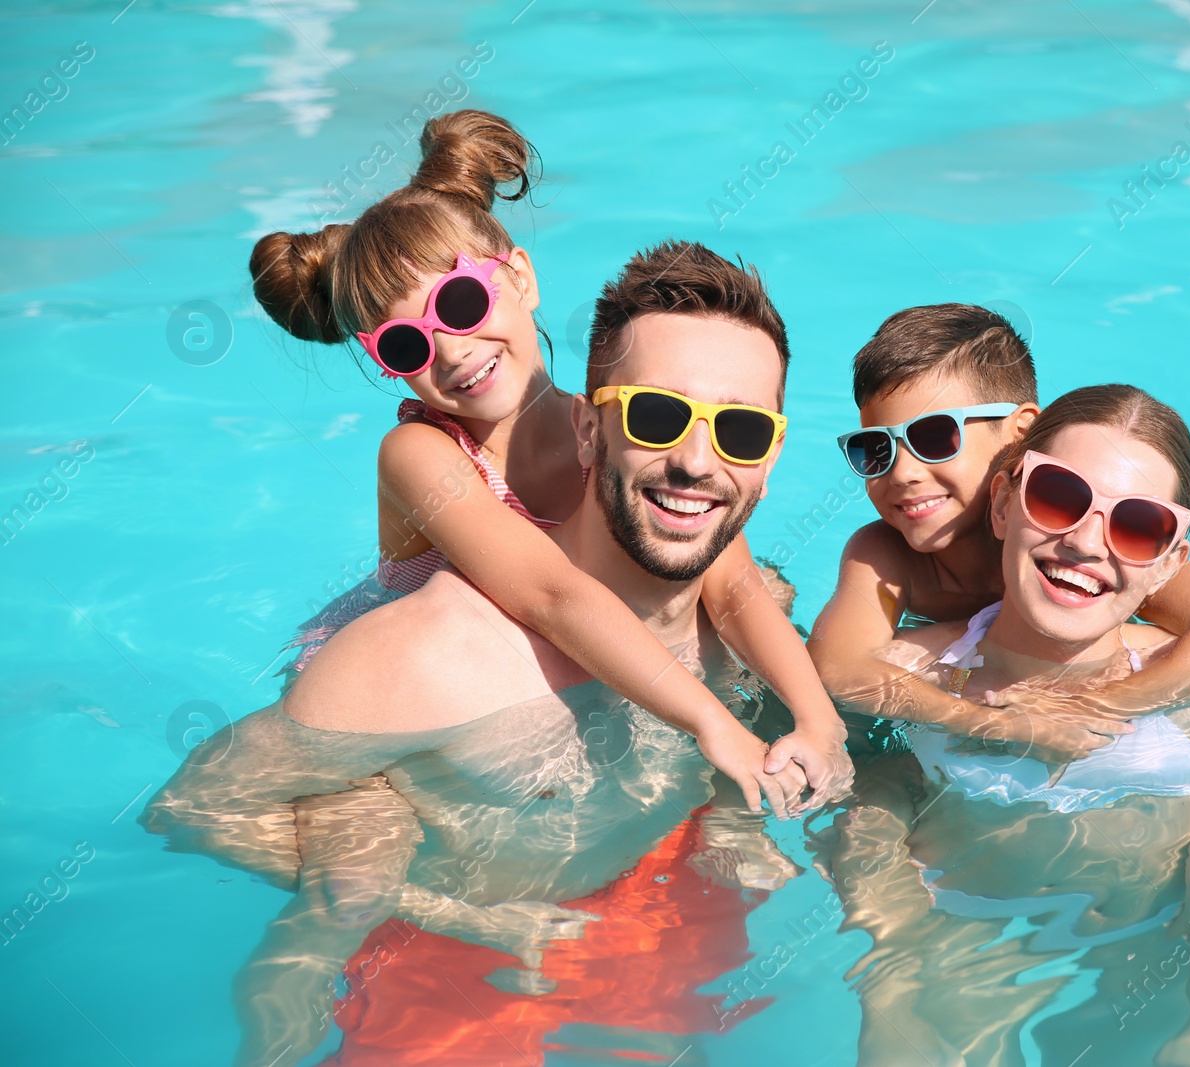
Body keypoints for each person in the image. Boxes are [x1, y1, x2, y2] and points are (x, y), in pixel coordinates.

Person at [143, 240, 847, 1067]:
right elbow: (191, 808)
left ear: (767, 462)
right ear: (588, 429)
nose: (696, 461)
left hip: (651, 910)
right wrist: (417, 902)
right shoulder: (433, 660)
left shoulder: (754, 618)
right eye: (657, 416)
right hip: (447, 969)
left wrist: (732, 819)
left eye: (738, 428)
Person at [250, 109, 843, 798]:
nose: (451, 350)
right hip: (397, 686)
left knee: (767, 586)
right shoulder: (419, 452)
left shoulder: (604, 422)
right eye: (405, 344)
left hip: (562, 624)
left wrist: (819, 717)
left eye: (462, 302)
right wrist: (712, 725)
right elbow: (550, 594)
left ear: (522, 279)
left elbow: (730, 579)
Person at [821, 385, 1190, 1065]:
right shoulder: (912, 674)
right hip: (961, 938)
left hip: (1153, 944)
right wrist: (891, 968)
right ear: (1006, 504)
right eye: (1058, 497)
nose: (1084, 542)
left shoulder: (1188, 681)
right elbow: (844, 757)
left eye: (1136, 526)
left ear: (1170, 561)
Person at [808, 305, 1190, 760]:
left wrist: (1093, 707)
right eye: (875, 449)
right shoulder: (884, 554)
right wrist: (991, 722)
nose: (903, 472)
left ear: (1020, 433)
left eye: (934, 437)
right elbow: (841, 668)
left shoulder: (1100, 547)